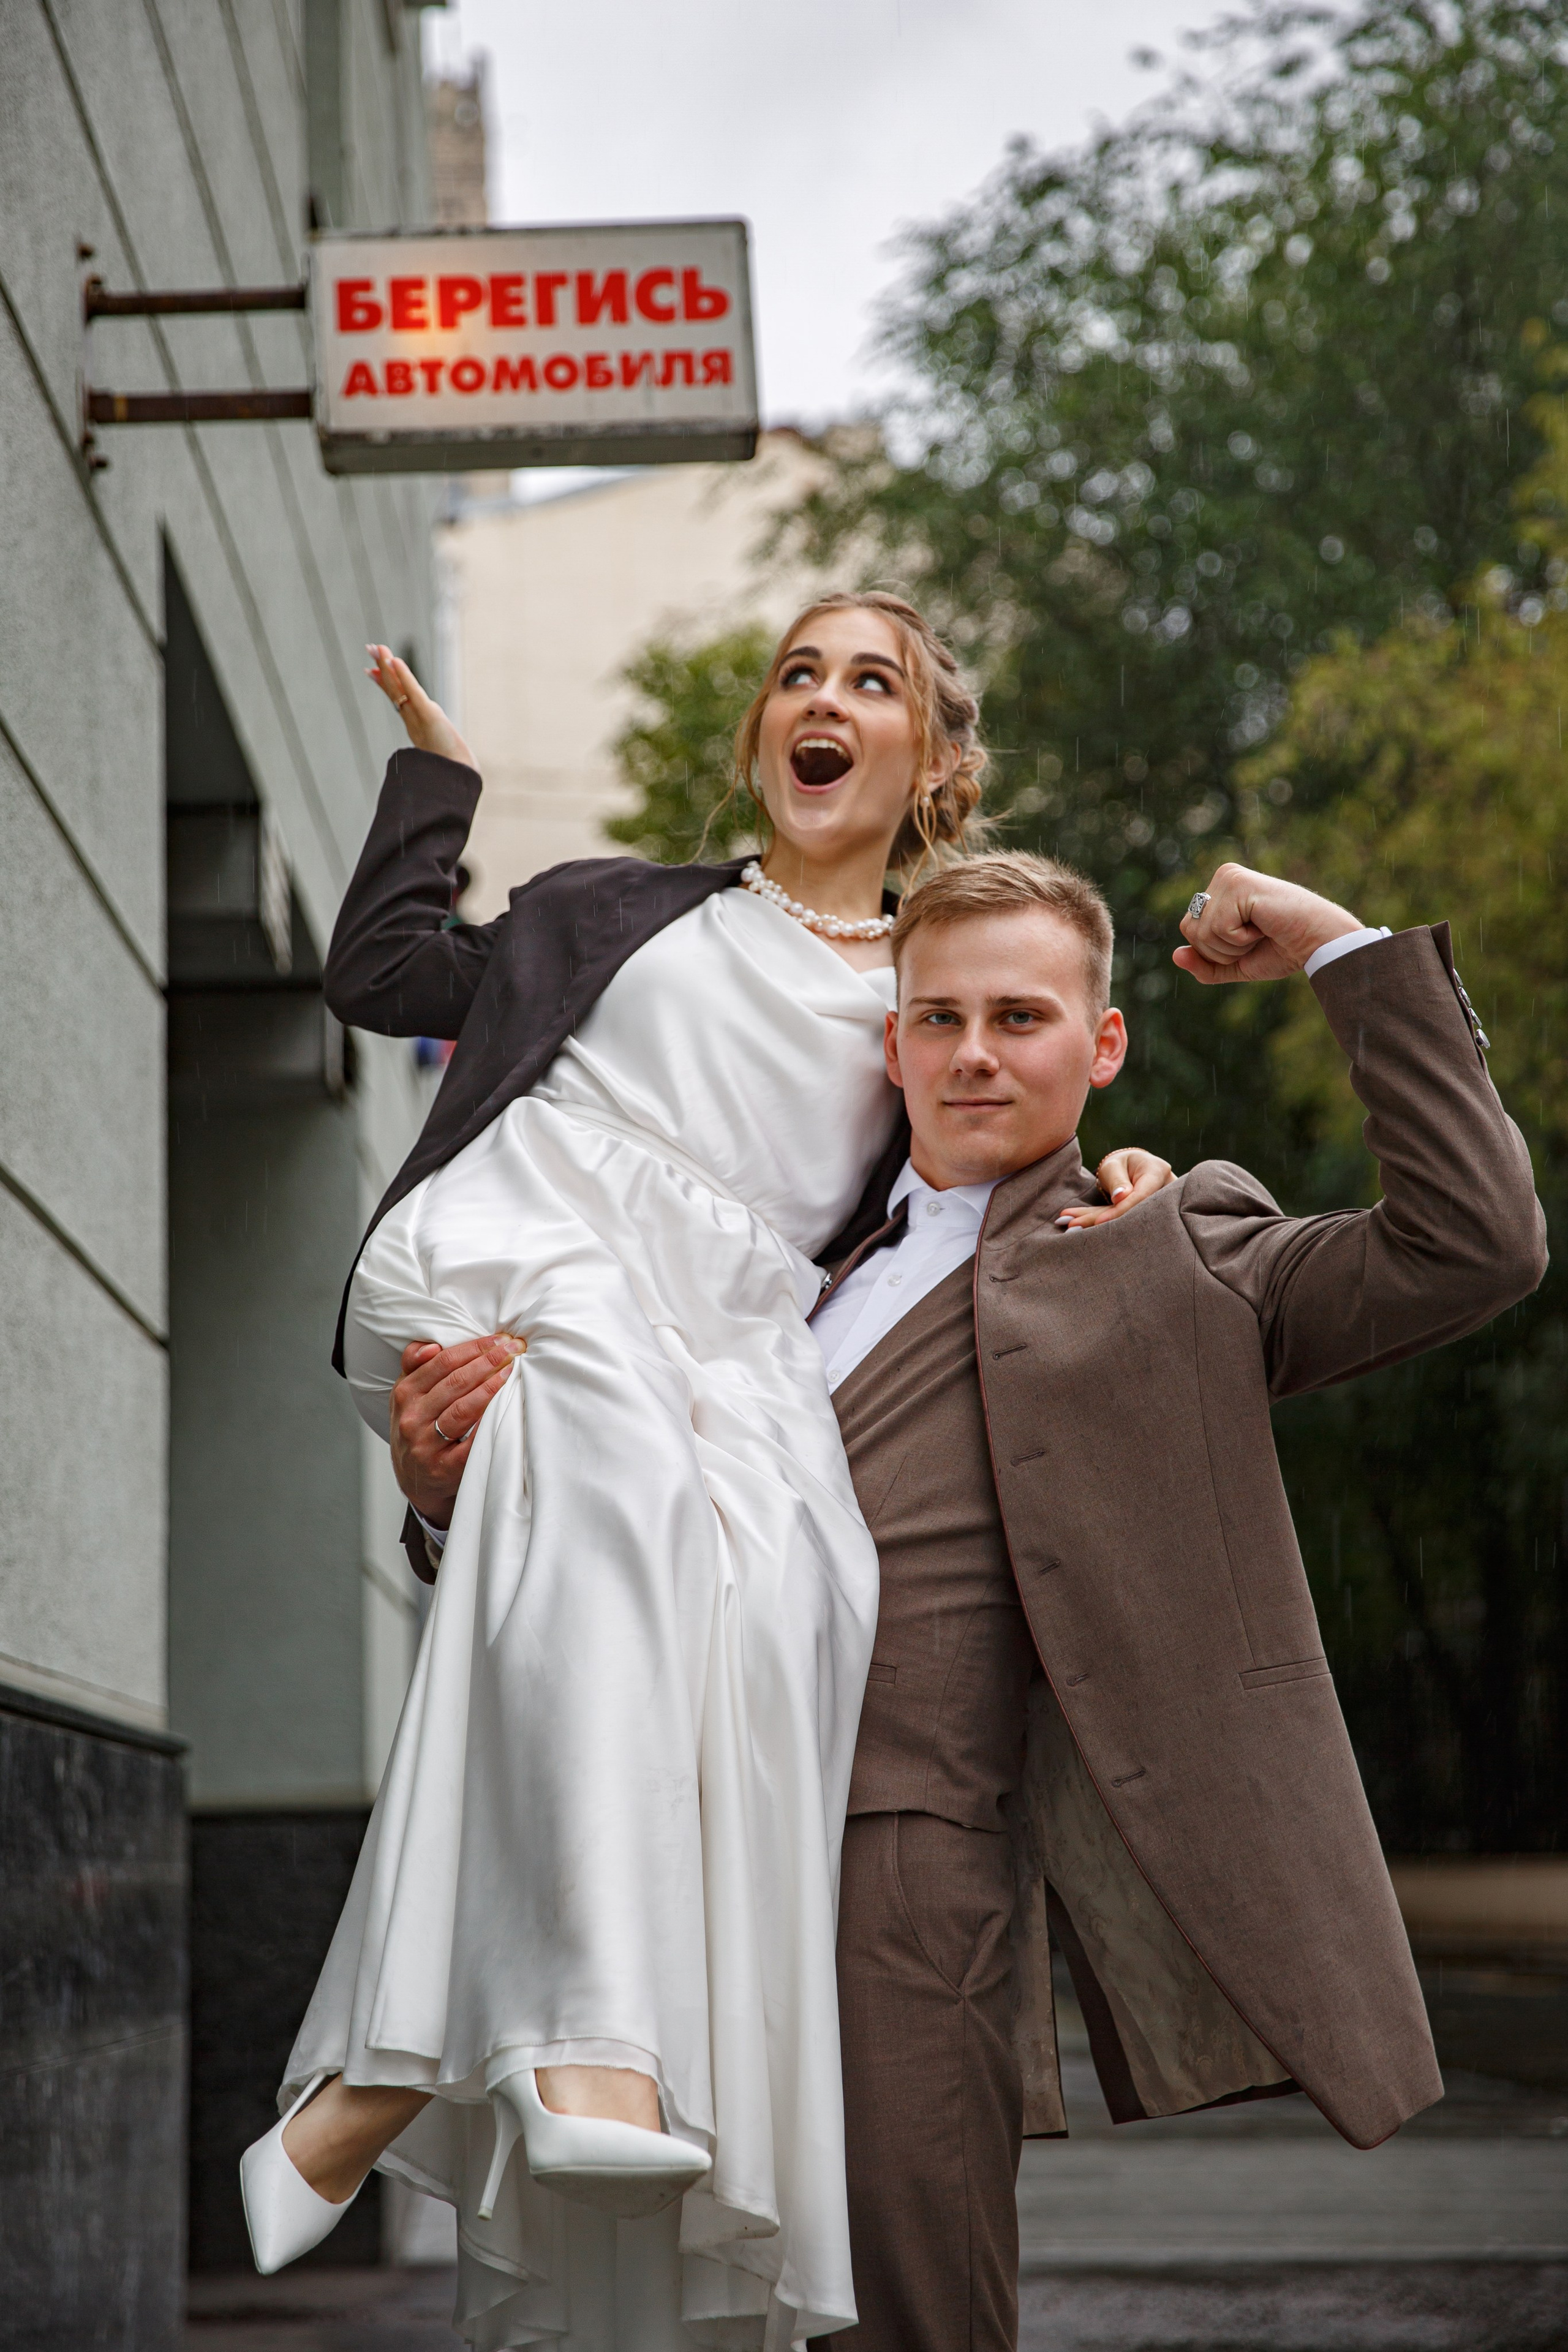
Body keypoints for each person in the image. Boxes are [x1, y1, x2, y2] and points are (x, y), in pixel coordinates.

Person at [237, 594, 1169, 2351]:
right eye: (797, 674)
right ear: (761, 740)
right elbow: (380, 978)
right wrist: (439, 781)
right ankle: (582, 2042)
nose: (824, 699)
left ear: (934, 765)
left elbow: (1002, 1146)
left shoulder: (923, 1005)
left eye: (872, 681)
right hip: (521, 1250)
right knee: (620, 1458)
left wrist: (1130, 1174)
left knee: (800, 1594)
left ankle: (388, 2066)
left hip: (725, 1340)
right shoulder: (610, 912)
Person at [800, 851, 1545, 2351]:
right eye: (938, 1018)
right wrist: (439, 1499)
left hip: (901, 1862)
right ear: (890, 1045)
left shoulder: (1165, 1246)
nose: (972, 1053)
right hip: (669, 1835)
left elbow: (1471, 1242)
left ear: (1103, 1045)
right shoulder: (768, 1261)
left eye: (1018, 1017)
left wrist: (1337, 948)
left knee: (898, 2312)